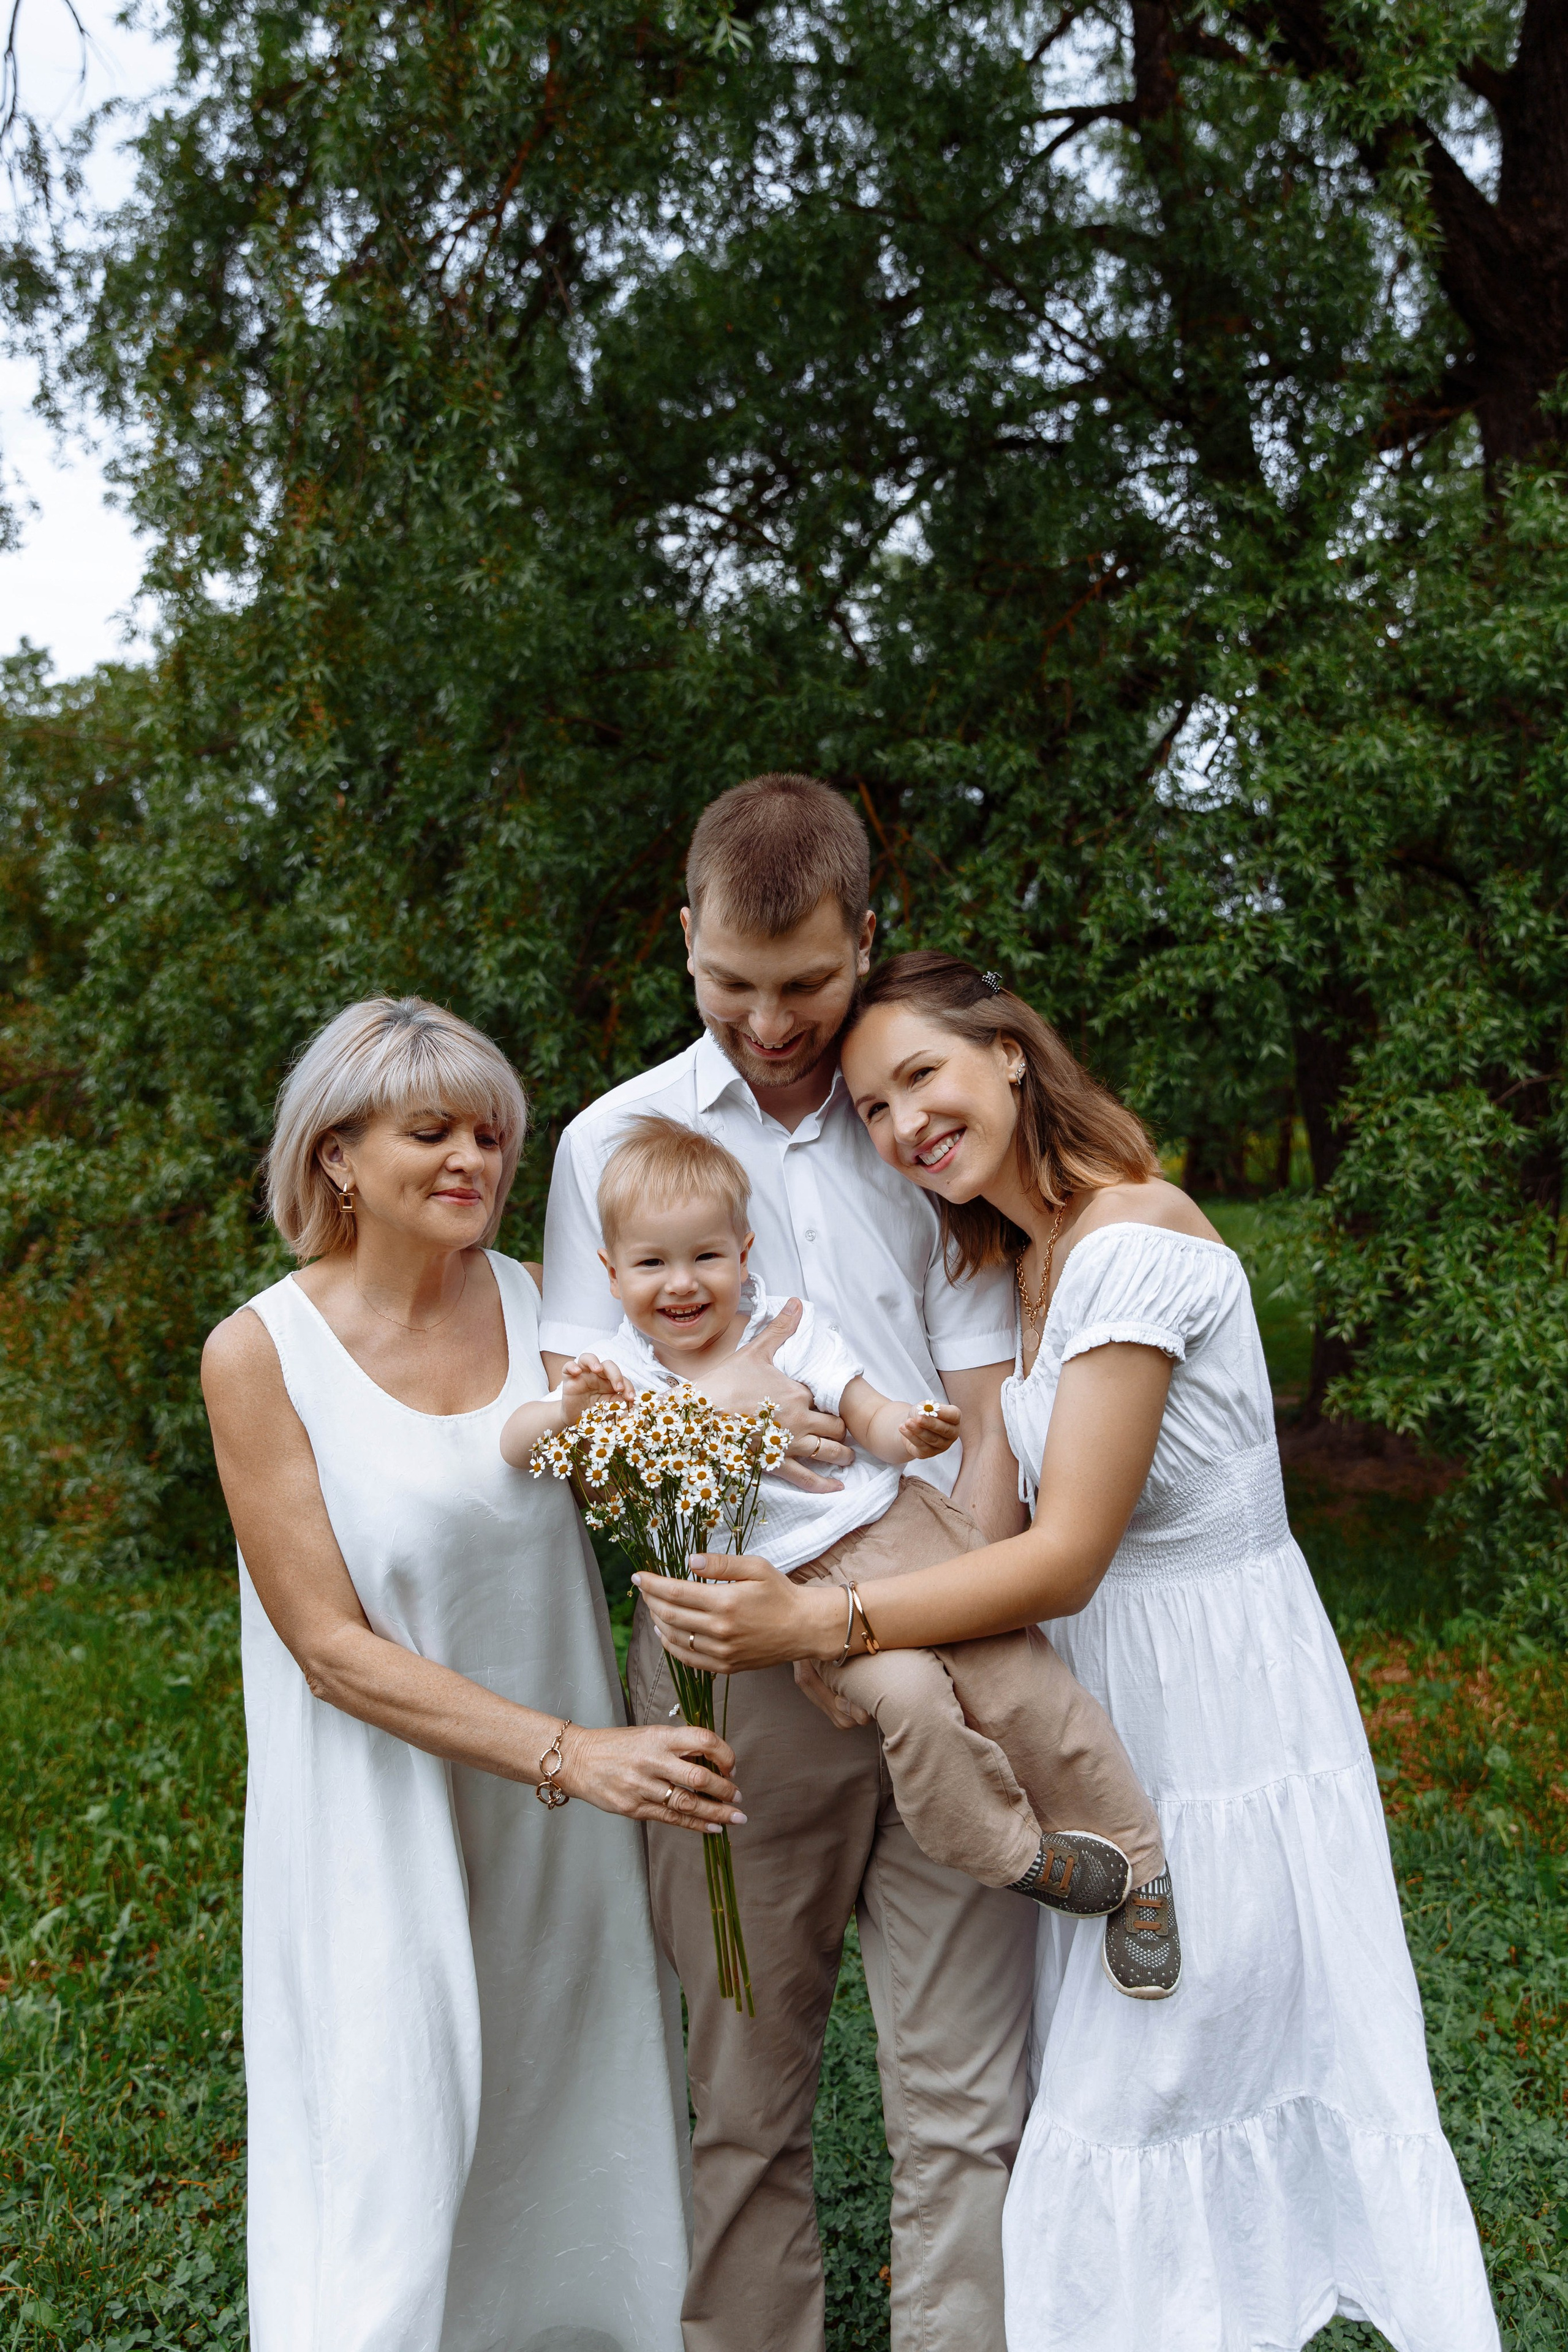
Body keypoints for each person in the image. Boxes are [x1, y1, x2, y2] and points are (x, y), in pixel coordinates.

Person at [636, 952, 1501, 2352]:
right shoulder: (1027, 1261)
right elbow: (996, 1530)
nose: (902, 1123)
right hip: (1105, 1687)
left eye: (921, 1074)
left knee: (1154, 2084)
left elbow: (1065, 1553)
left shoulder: (1131, 1237)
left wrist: (826, 1622)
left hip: (1214, 1703)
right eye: (868, 1108)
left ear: (1011, 1054)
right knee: (1123, 2080)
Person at [539, 775, 1030, 2352]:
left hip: (934, 1622)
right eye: (729, 986)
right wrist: (736, 1414)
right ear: (682, 938)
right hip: (730, 1666)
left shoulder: (918, 1117)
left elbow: (980, 1401)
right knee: (744, 2101)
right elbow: (583, 1442)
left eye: (806, 985)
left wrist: (982, 1604)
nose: (768, 1022)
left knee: (965, 2095)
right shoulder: (614, 1142)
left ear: (865, 941)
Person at [202, 995, 745, 2352]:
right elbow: (329, 1651)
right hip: (387, 1822)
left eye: (492, 1135)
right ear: (335, 1157)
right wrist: (581, 1755)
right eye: (428, 1131)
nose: (475, 1161)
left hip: (561, 1837)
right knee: (396, 2149)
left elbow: (632, 1475)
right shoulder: (260, 1355)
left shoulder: (537, 1300)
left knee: (570, 2130)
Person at [513, 1111, 1167, 1969]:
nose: (681, 1284)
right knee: (913, 1702)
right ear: (611, 1273)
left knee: (1022, 1687)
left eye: (705, 1256)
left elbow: (865, 1411)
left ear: (744, 1253)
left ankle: (1138, 1862)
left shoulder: (785, 1324)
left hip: (896, 1534)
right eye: (651, 1263)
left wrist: (908, 1428)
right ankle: (1017, 1857)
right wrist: (571, 1408)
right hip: (797, 1594)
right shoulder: (621, 1375)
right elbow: (519, 1443)